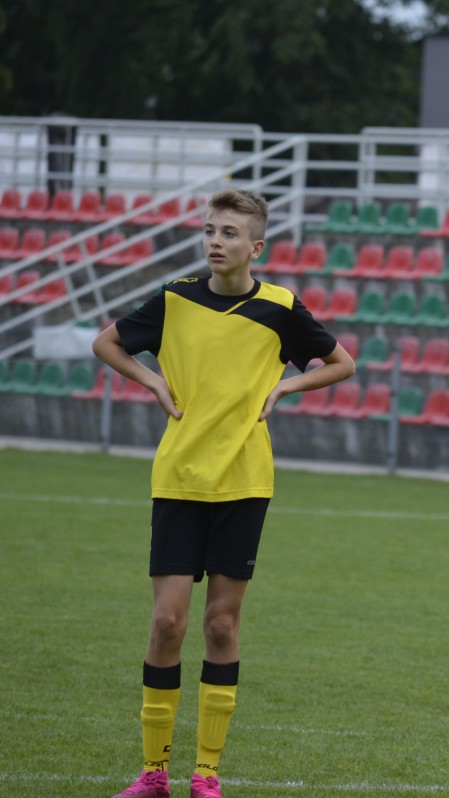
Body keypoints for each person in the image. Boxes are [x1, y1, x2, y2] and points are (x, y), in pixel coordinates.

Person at [94, 189, 357, 798]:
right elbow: (106, 342)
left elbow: (342, 363)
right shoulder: (175, 298)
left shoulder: (280, 308)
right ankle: (154, 772)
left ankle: (206, 774)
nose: (216, 241)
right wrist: (153, 381)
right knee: (167, 622)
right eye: (210, 230)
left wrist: (285, 388)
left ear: (255, 247)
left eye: (229, 233)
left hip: (244, 482)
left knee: (220, 625)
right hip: (179, 479)